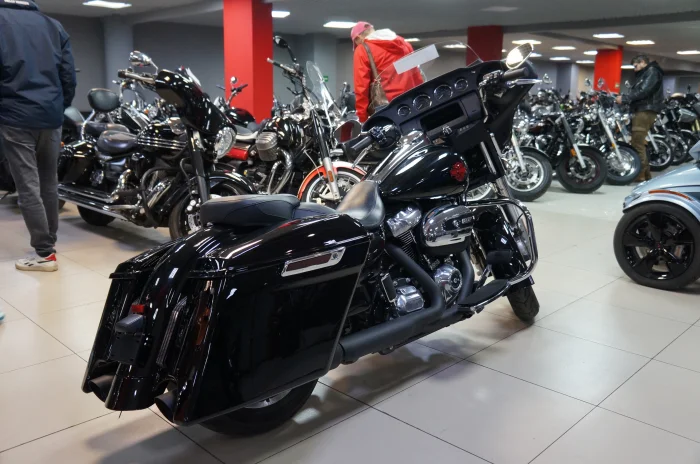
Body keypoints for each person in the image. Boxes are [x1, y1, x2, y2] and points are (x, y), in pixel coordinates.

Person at [0, 0, 76, 272]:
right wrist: (59, 107)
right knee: (48, 183)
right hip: (51, 116)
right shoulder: (53, 25)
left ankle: (44, 254)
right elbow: (68, 76)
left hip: (15, 116)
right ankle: (49, 245)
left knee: (28, 187)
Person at [352, 22, 422, 122]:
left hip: (386, 109)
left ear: (358, 38)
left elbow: (361, 87)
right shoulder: (405, 45)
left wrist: (362, 118)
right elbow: (417, 76)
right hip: (411, 104)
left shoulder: (362, 49)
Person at [616, 54, 664, 182]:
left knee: (637, 143)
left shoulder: (651, 72)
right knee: (640, 142)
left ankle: (640, 174)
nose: (634, 68)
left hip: (645, 110)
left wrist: (625, 98)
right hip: (645, 110)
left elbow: (644, 90)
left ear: (643, 62)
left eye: (636, 66)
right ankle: (646, 174)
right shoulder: (648, 72)